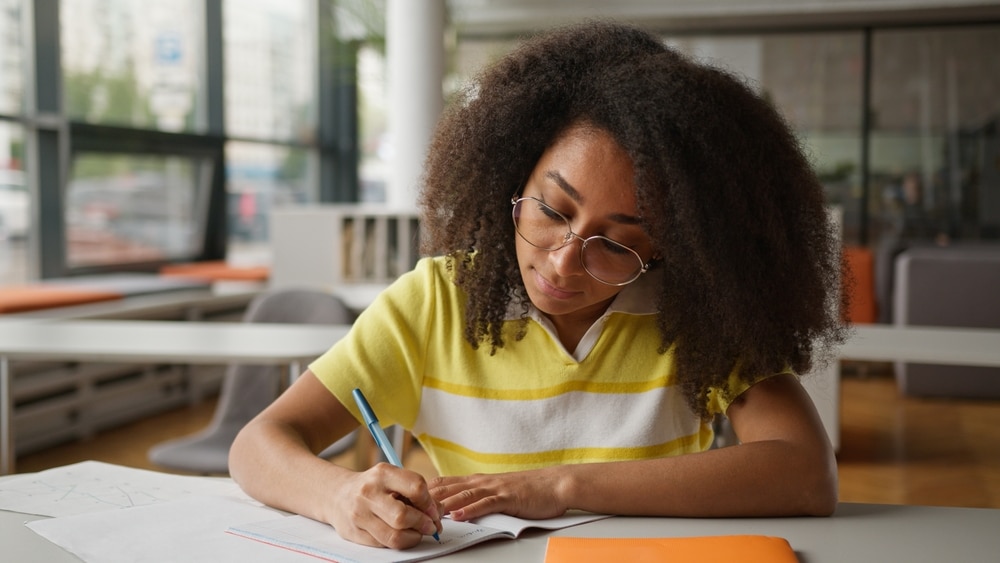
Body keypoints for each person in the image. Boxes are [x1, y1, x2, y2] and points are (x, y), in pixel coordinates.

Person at [229, 20, 848, 550]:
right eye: (552, 211)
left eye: (617, 242)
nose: (562, 265)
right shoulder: (438, 303)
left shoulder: (697, 314)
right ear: (511, 172)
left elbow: (805, 475)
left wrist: (557, 487)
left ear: (672, 245)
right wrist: (339, 495)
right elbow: (257, 446)